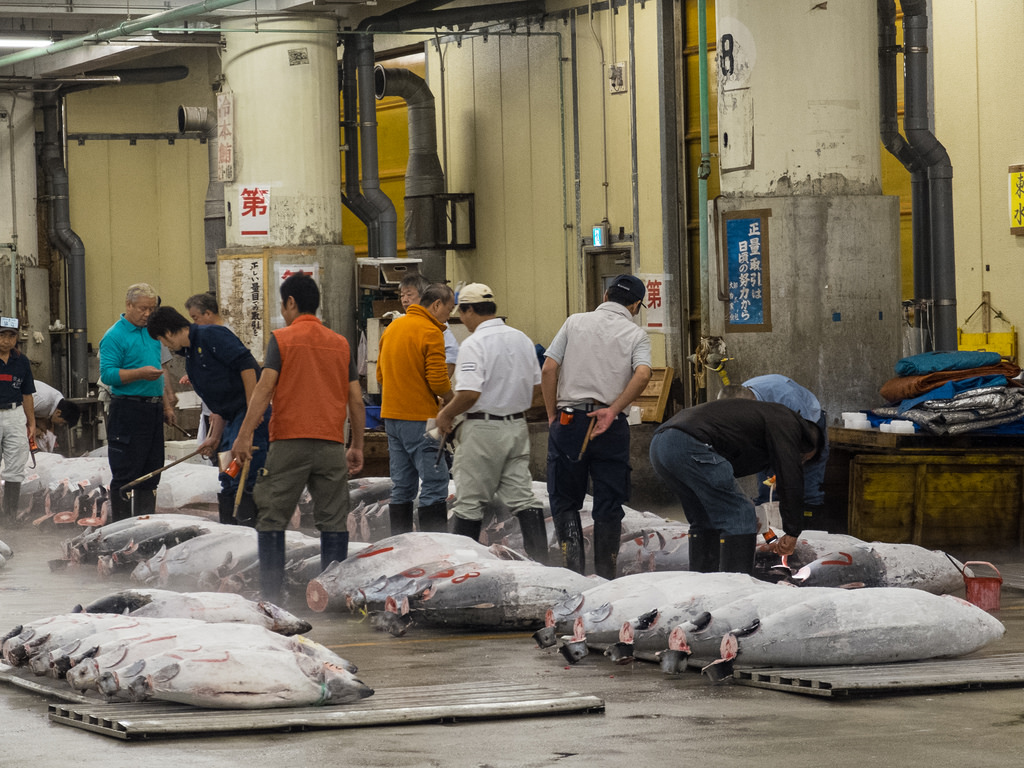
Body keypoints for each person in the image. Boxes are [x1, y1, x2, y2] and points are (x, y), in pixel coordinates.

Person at [232, 273, 364, 602]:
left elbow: (264, 390)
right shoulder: (340, 343)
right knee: (333, 521)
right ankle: (332, 598)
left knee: (272, 517)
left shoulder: (283, 339)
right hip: (332, 445)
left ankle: (272, 598)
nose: (283, 311)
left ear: (291, 302)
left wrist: (244, 435)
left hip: (289, 442)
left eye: (283, 304)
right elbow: (356, 400)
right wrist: (357, 444)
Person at [542, 274, 652, 579]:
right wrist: (614, 409)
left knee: (564, 499)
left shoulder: (574, 322)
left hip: (569, 421)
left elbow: (549, 367)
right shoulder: (636, 335)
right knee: (609, 501)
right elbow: (643, 375)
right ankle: (606, 577)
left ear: (605, 295)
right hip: (611, 425)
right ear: (635, 305)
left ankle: (572, 574)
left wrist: (553, 416)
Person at [435, 283, 547, 561]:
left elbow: (470, 393)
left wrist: (446, 414)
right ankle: (542, 563)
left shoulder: (474, 343)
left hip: (482, 430)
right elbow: (537, 388)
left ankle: (464, 569)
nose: (461, 319)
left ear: (470, 310)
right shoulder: (521, 338)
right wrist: (510, 402)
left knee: (470, 502)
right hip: (516, 427)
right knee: (523, 497)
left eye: (462, 312)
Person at [648, 397, 822, 574]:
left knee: (705, 519)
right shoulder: (788, 423)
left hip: (661, 446)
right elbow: (790, 474)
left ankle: (703, 586)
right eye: (802, 459)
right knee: (741, 515)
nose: (799, 462)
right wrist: (792, 531)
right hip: (691, 444)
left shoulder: (769, 417)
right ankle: (735, 591)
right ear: (805, 442)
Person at [147, 306, 269, 526]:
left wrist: (252, 416)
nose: (166, 346)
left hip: (247, 415)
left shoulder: (211, 334)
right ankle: (232, 532)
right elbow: (219, 403)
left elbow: (248, 367)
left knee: (246, 473)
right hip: (230, 422)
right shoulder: (190, 355)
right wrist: (214, 436)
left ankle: (253, 535)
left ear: (166, 333)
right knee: (228, 475)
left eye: (163, 341)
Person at [376, 283, 455, 535]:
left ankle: (400, 547)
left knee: (401, 486)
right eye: (449, 309)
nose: (449, 316)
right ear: (436, 305)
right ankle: (436, 549)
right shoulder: (431, 331)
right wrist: (453, 403)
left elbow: (379, 375)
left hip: (391, 418)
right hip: (423, 421)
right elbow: (438, 381)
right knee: (434, 482)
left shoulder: (392, 328)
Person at [99, 284, 174, 522]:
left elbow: (161, 370)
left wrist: (166, 405)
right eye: (143, 308)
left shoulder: (154, 333)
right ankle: (121, 529)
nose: (148, 314)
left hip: (152, 409)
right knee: (126, 473)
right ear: (128, 305)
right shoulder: (114, 336)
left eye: (152, 309)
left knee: (151, 472)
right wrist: (139, 373)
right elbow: (108, 375)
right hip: (127, 409)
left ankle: (144, 528)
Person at [719, 375, 830, 513]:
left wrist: (787, 472)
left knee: (806, 490)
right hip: (773, 433)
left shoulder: (787, 399)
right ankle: (770, 527)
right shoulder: (737, 398)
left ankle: (812, 526)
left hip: (809, 428)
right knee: (768, 492)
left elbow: (807, 441)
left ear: (753, 404)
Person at [0, 317, 35, 523]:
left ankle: (9, 516)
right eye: (2, 335)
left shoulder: (21, 361)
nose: (6, 340)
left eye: (10, 335)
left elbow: (27, 393)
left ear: (16, 338)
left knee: (15, 465)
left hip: (15, 413)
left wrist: (31, 422)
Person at [183, 292, 225, 446]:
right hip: (211, 409)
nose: (194, 324)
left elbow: (224, 377)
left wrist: (217, 411)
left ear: (208, 313)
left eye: (195, 318)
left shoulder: (223, 335)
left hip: (221, 412)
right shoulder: (206, 335)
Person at [398, 274, 459, 377]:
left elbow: (452, 352)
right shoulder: (400, 322)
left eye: (409, 295)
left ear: (423, 296)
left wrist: (439, 387)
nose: (404, 300)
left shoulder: (437, 323)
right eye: (402, 296)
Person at [30, 380, 81, 453]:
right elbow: (20, 413)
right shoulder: (44, 401)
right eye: (63, 423)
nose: (60, 425)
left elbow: (33, 413)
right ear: (58, 413)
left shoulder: (57, 401)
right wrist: (33, 429)